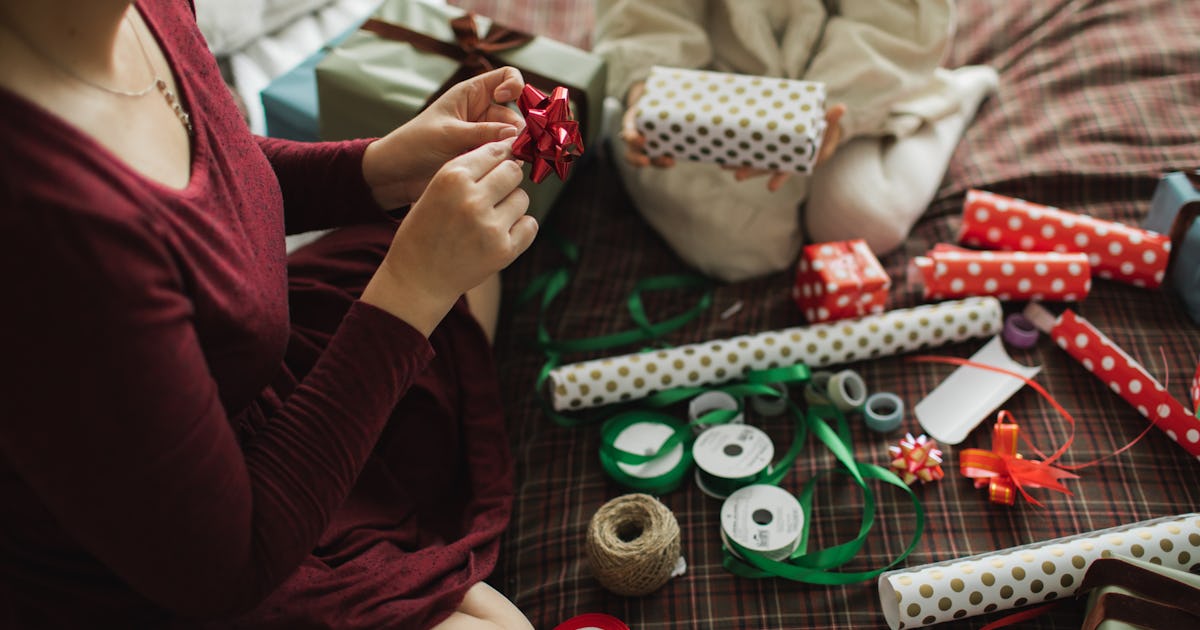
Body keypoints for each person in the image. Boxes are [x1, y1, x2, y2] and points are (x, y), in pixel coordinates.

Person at [0, 1, 538, 628]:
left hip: (246, 379)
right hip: (178, 557)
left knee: (482, 260)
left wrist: (379, 168)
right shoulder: (43, 225)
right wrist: (412, 288)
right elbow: (226, 569)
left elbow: (204, 162)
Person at [594, 0, 1000, 282]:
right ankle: (621, 108)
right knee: (747, 250)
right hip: (714, 72)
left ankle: (949, 102)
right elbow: (646, 17)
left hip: (855, 80)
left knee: (861, 220)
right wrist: (646, 83)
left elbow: (891, 24)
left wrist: (832, 109)